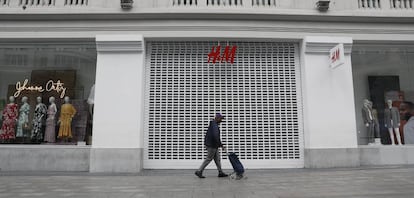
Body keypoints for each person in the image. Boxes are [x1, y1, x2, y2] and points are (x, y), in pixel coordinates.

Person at [195, 113, 228, 178]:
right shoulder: (214, 126)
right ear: (217, 118)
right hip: (212, 145)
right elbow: (215, 136)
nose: (221, 121)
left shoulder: (213, 124)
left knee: (217, 159)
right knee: (209, 158)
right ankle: (199, 171)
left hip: (214, 145)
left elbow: (216, 137)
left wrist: (220, 145)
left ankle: (220, 172)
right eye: (221, 119)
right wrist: (221, 145)